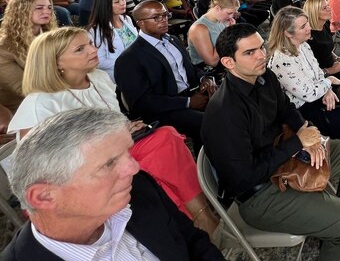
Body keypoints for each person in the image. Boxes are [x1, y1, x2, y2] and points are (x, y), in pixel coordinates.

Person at [202, 23, 340, 261]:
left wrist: (306, 132)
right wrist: (298, 142)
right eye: (249, 53)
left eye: (261, 47)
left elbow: (286, 109)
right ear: (229, 63)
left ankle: (336, 229)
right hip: (260, 195)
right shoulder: (224, 111)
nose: (261, 55)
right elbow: (244, 177)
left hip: (284, 162)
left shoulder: (264, 78)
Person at [7, 29, 221, 238]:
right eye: (80, 49)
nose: (92, 50)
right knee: (152, 166)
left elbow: (110, 119)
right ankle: (182, 225)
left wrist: (125, 127)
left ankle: (200, 214)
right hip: (78, 174)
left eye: (90, 43)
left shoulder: (99, 78)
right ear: (56, 62)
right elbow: (36, 168)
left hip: (115, 150)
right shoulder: (41, 103)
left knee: (166, 138)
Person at [4, 108, 225, 260]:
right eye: (109, 164)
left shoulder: (138, 188)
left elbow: (195, 243)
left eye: (127, 153)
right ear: (44, 196)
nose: (134, 168)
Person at [114, 0, 217, 151]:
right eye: (156, 17)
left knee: (226, 106)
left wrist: (205, 79)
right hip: (162, 109)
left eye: (165, 15)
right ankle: (209, 164)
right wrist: (188, 102)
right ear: (140, 23)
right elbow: (142, 103)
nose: (164, 20)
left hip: (190, 95)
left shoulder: (173, 40)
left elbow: (191, 70)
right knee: (208, 123)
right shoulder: (129, 59)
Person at [267, 7, 340, 139]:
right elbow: (308, 94)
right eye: (303, 26)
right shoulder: (282, 59)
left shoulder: (303, 44)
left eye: (308, 23)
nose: (309, 28)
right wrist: (329, 82)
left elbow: (318, 73)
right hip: (304, 106)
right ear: (288, 33)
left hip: (319, 91)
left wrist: (328, 89)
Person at [0, 0, 57, 112]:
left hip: (57, 96)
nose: (47, 11)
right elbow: (23, 88)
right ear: (21, 11)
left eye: (49, 7)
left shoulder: (54, 37)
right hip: (21, 107)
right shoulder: (4, 48)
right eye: (39, 8)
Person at [86, 0, 138, 82]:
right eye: (117, 1)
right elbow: (99, 61)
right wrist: (129, 64)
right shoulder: (96, 30)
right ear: (105, 6)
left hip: (137, 67)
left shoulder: (127, 19)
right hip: (117, 74)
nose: (123, 3)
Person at [188, 0, 240, 69]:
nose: (231, 17)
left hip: (224, 60)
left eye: (234, 13)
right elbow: (212, 62)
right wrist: (227, 32)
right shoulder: (199, 28)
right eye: (229, 13)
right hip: (207, 70)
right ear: (218, 8)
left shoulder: (222, 21)